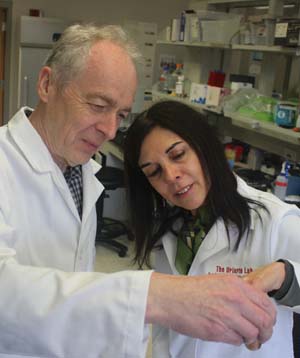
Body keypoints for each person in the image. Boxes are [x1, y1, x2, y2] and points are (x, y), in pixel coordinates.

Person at [0, 24, 276, 358]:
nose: (109, 129)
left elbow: (73, 293)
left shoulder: (79, 170)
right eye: (98, 105)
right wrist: (155, 296)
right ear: (47, 85)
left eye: (120, 114)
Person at [123, 100, 300, 358]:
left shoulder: (273, 220)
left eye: (178, 155)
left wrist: (287, 279)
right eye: (154, 172)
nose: (171, 175)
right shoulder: (168, 233)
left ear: (202, 145)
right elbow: (164, 329)